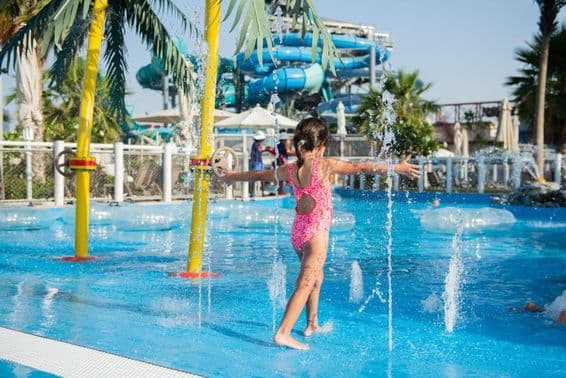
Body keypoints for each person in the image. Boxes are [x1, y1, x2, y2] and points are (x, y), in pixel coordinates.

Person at [223, 118, 420, 350]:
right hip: (316, 232)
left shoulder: (289, 169)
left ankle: (311, 324)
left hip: (298, 232)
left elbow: (258, 176)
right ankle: (283, 332)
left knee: (316, 277)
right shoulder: (324, 165)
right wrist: (397, 168)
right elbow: (362, 167)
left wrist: (230, 177)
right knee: (306, 282)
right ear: (321, 144)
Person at [250, 130, 274, 196]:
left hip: (257, 162)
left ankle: (255, 193)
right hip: (257, 163)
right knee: (258, 177)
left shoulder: (255, 144)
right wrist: (267, 149)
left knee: (258, 178)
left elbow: (256, 152)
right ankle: (259, 192)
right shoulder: (256, 145)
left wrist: (266, 149)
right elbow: (259, 150)